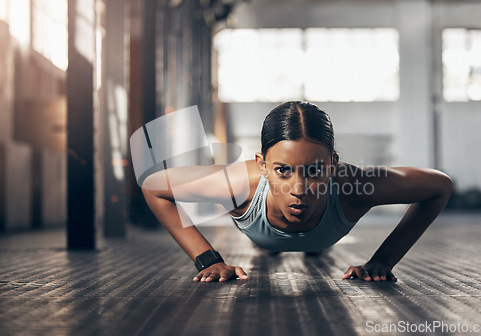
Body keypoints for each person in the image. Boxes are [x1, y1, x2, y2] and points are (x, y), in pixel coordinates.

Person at [141, 101, 453, 283]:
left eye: (315, 170)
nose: (299, 189)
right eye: (282, 170)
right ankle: (278, 246)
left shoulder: (353, 186)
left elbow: (439, 186)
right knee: (271, 249)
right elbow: (154, 187)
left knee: (316, 248)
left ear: (333, 164)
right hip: (264, 235)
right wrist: (207, 260)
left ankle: (309, 245)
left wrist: (384, 260)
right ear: (262, 165)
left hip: (323, 232)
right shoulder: (237, 185)